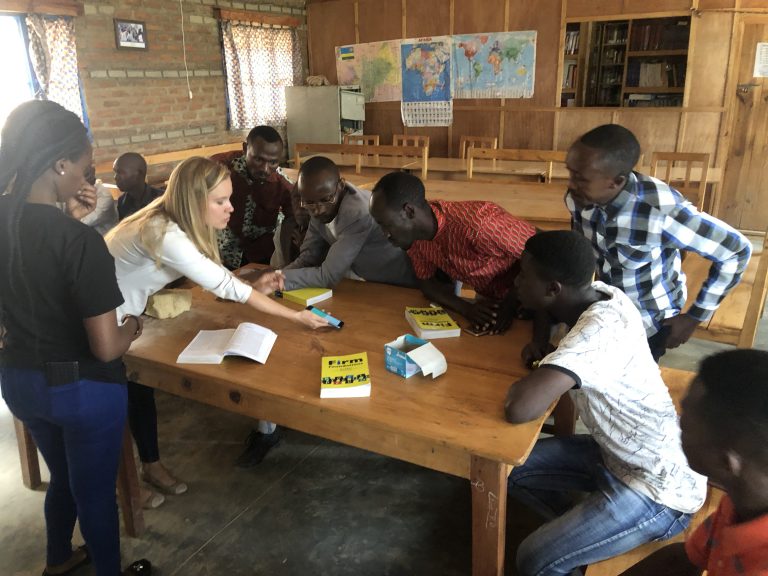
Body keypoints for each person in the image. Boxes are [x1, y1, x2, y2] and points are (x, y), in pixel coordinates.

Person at [105, 157, 329, 480]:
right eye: (220, 201)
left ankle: (147, 468)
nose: (230, 209)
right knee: (119, 403)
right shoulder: (166, 233)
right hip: (106, 323)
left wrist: (254, 286)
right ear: (194, 201)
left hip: (121, 315)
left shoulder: (171, 219)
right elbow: (225, 285)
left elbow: (219, 280)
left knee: (136, 389)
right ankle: (128, 485)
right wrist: (298, 317)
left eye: (229, 199)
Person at [0, 100, 150, 576]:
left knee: (62, 475)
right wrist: (134, 326)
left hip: (19, 383)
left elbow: (33, 263)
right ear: (60, 164)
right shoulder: (79, 243)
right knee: (94, 491)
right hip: (81, 391)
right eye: (86, 168)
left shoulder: (7, 219)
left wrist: (69, 218)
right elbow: (105, 346)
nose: (90, 180)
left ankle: (59, 559)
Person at [504, 230, 707, 576]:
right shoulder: (604, 296)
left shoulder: (595, 332)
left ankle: (580, 541)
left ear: (554, 288)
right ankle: (585, 532)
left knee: (533, 560)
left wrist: (542, 371)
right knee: (507, 471)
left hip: (659, 490)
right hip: (615, 454)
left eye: (524, 275)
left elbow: (519, 408)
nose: (516, 282)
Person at [565, 124, 751, 361]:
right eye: (570, 172)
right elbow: (583, 249)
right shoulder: (578, 197)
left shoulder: (660, 212)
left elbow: (736, 251)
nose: (570, 184)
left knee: (630, 389)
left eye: (580, 178)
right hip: (607, 309)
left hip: (650, 320)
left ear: (616, 181)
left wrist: (694, 317)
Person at [620, 349, 768, 576]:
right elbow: (685, 558)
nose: (678, 424)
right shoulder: (744, 500)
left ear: (725, 461)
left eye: (686, 423)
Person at [370, 170, 536, 334]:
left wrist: (510, 302)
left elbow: (541, 253)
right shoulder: (416, 239)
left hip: (535, 297)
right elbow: (428, 285)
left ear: (409, 211)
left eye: (387, 224)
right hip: (491, 301)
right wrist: (467, 309)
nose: (386, 234)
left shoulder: (479, 225)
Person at [281, 157, 416, 290]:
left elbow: (328, 277)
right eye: (309, 202)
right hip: (361, 276)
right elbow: (309, 256)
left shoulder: (358, 213)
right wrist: (277, 275)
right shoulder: (318, 199)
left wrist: (277, 278)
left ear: (340, 186)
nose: (317, 210)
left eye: (326, 199)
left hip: (395, 285)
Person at [214, 126, 301, 269]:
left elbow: (294, 216)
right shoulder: (219, 168)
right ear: (245, 148)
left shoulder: (281, 185)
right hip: (218, 256)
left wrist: (285, 257)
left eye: (273, 162)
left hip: (260, 255)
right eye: (258, 159)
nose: (265, 169)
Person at [113, 152, 163, 220]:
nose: (115, 177)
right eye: (115, 172)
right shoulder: (122, 202)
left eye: (121, 172)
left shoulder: (162, 200)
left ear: (139, 174)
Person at [79, 165, 118, 235]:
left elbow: (82, 223)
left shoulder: (104, 195)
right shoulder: (74, 192)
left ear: (93, 171)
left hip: (105, 241)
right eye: (78, 177)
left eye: (86, 175)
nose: (82, 180)